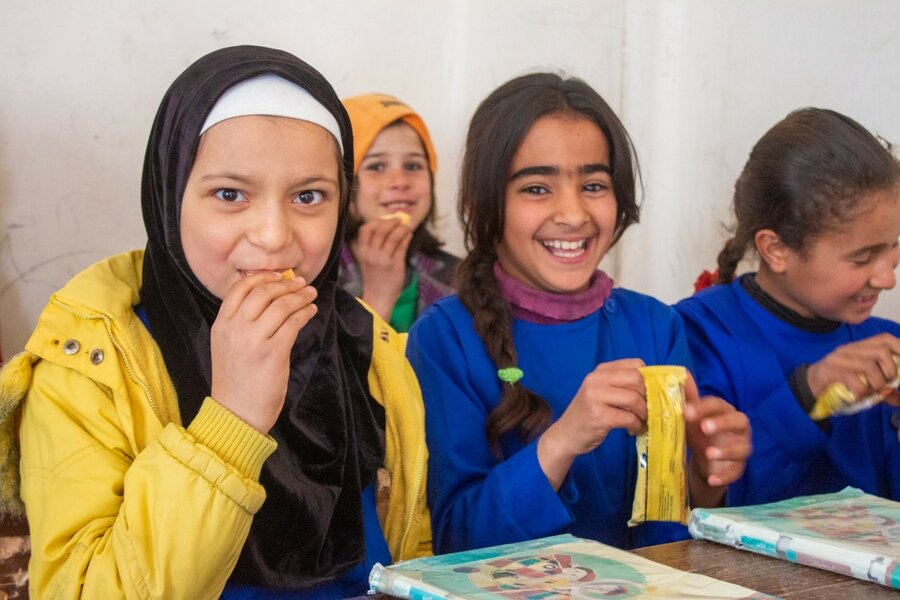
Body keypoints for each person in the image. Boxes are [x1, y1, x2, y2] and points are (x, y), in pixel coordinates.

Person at [0, 45, 430, 599]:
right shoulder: (88, 367)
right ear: (168, 195)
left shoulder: (369, 349)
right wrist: (232, 420)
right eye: (230, 194)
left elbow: (415, 559)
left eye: (309, 196)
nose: (274, 235)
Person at [405, 72, 751, 554]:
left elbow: (669, 538)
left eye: (593, 184)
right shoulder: (443, 339)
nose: (572, 213)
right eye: (536, 189)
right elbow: (456, 541)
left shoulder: (654, 325)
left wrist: (705, 475)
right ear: (486, 202)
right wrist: (564, 439)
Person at [676, 108, 900, 506]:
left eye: (894, 246)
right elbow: (698, 504)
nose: (887, 278)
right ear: (776, 249)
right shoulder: (697, 334)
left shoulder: (886, 343)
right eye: (863, 258)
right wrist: (806, 394)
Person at [339, 93, 458, 332]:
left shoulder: (461, 278)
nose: (400, 181)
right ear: (342, 182)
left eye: (413, 166)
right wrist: (379, 297)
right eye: (377, 166)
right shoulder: (310, 277)